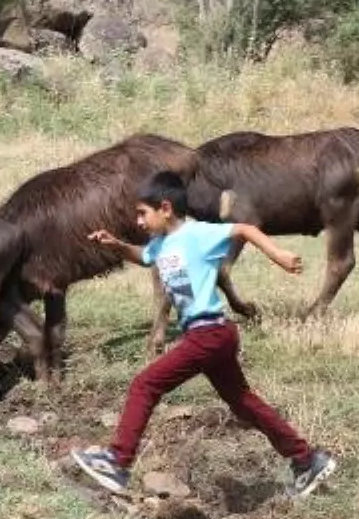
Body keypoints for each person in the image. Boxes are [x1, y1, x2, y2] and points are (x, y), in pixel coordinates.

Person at [70, 170, 338, 498]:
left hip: (209, 332)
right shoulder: (160, 243)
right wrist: (117, 245)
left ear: (165, 208)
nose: (138, 221)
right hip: (209, 335)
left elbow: (244, 228)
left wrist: (277, 254)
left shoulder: (197, 234)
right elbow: (144, 258)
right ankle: (306, 459)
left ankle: (117, 461)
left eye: (143, 213)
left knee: (145, 384)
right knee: (243, 403)